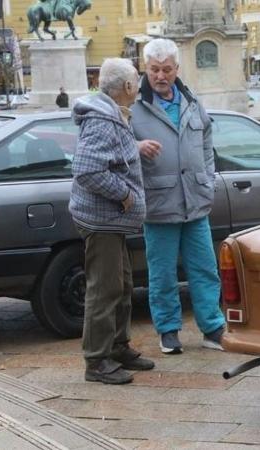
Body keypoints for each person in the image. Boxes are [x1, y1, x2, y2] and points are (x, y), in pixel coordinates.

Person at [130, 39, 225, 354]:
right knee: (162, 274)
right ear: (146, 69)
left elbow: (207, 141)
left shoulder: (191, 100)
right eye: (155, 70)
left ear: (176, 69)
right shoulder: (134, 105)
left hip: (195, 201)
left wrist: (207, 180)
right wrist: (135, 148)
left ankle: (213, 327)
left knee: (204, 269)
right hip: (159, 205)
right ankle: (168, 330)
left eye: (166, 69)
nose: (160, 76)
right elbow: (114, 145)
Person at [70, 58, 154, 385]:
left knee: (121, 286)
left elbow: (108, 154)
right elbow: (88, 170)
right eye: (137, 80)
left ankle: (118, 347)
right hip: (102, 220)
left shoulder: (111, 114)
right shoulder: (104, 119)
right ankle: (97, 361)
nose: (139, 86)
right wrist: (124, 195)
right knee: (104, 290)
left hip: (111, 222)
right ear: (128, 87)